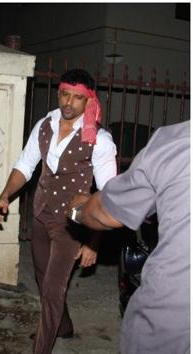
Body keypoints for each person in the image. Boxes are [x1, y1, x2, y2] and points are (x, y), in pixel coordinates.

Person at [0, 68, 117, 353]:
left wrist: (92, 243)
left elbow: (108, 198)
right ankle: (64, 325)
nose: (69, 102)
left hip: (73, 225)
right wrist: (4, 195)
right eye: (65, 94)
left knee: (52, 290)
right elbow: (25, 165)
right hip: (41, 213)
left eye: (77, 97)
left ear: (89, 101)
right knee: (40, 275)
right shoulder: (45, 124)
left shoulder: (100, 140)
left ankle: (42, 346)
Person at [67, 120, 190, 354]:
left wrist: (78, 212)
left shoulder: (178, 142)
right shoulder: (47, 127)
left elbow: (107, 212)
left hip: (171, 322)